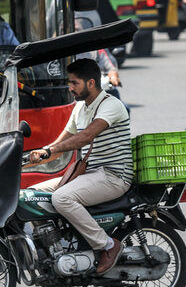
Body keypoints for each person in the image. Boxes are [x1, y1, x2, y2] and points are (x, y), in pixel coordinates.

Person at [27, 58, 133, 274]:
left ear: (91, 83)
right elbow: (59, 145)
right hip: (90, 175)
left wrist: (50, 151)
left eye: (75, 83)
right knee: (31, 195)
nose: (70, 87)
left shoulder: (110, 105)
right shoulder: (79, 109)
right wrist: (33, 158)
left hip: (114, 176)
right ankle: (56, 247)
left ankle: (108, 246)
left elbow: (85, 137)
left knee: (61, 197)